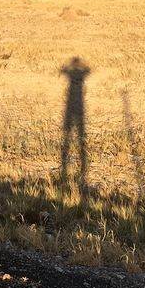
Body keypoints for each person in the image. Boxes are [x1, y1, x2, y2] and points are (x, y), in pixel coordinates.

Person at [59, 56, 90, 196]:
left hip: (70, 109)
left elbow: (63, 71)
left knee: (68, 135)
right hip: (78, 109)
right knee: (77, 135)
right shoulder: (82, 75)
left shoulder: (70, 75)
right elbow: (88, 70)